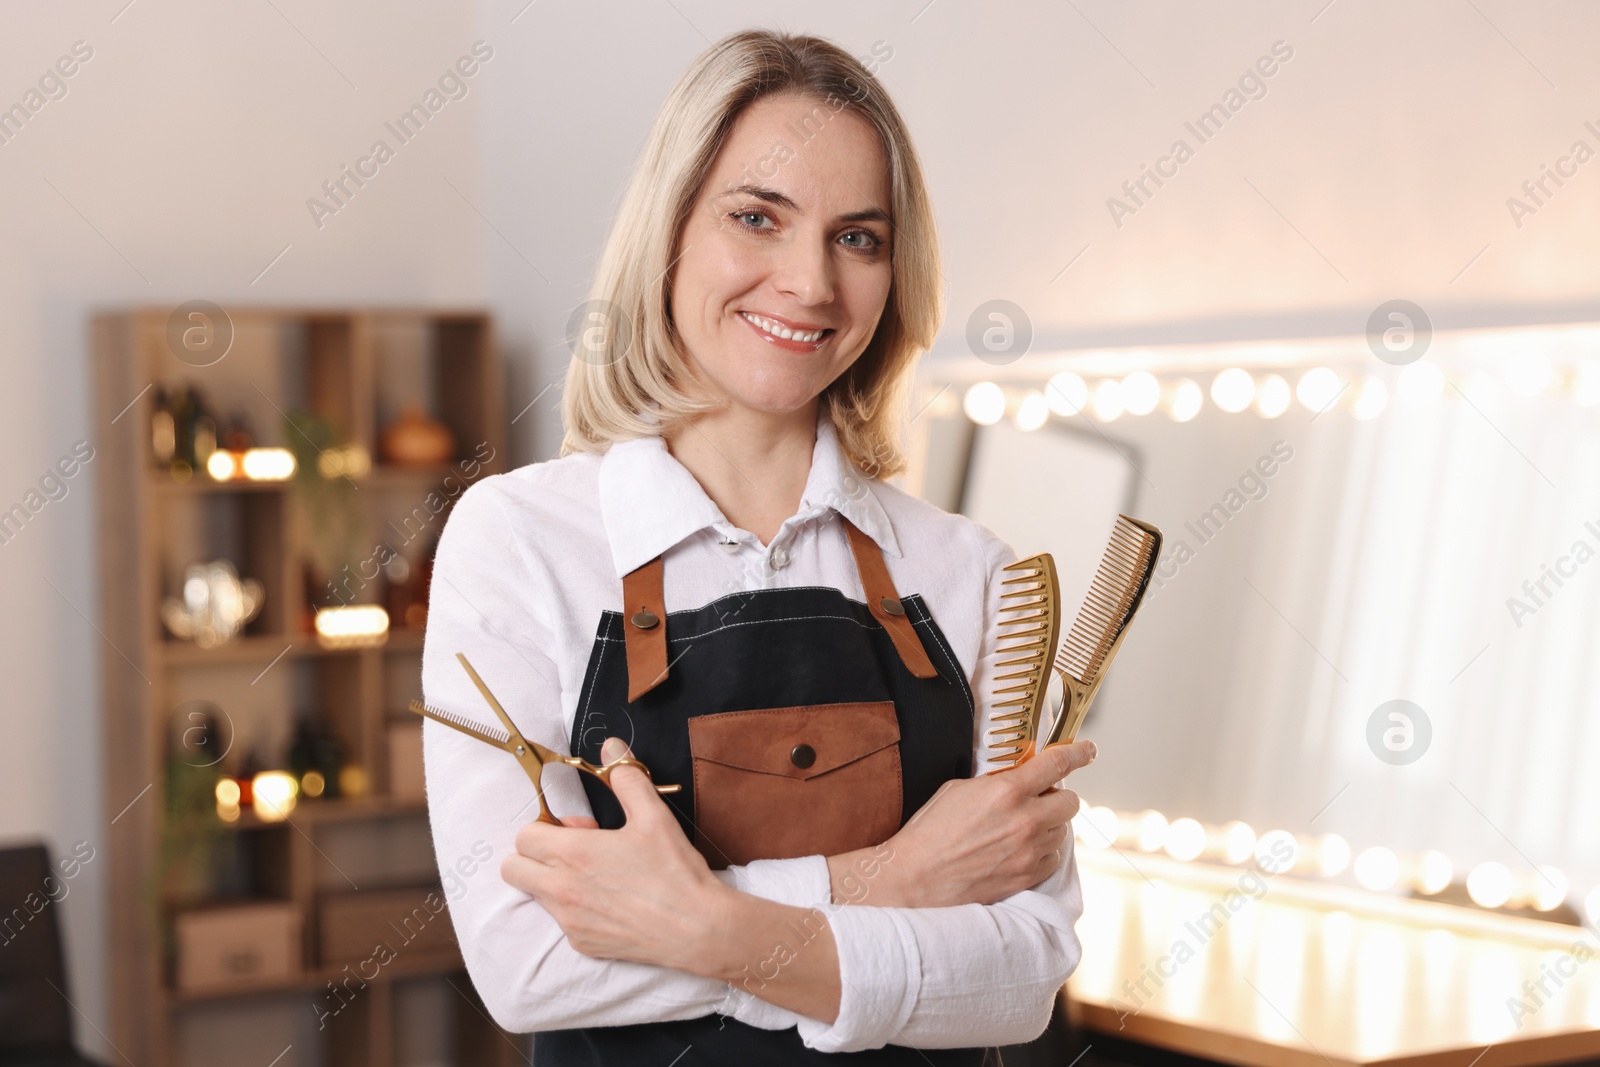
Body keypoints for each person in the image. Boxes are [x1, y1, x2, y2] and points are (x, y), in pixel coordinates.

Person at [421, 28, 1096, 1065]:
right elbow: (529, 964)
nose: (809, 281)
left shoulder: (973, 571)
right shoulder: (520, 541)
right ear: (671, 232)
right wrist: (889, 883)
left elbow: (1016, 977)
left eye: (858, 238)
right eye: (756, 218)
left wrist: (706, 925)